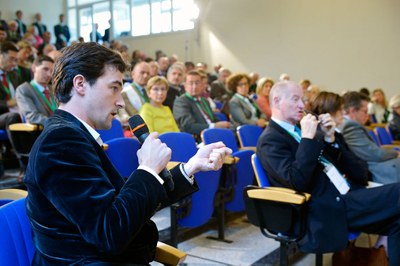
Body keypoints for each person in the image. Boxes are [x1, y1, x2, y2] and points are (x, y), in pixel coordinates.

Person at [24, 42, 231, 265]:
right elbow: (109, 232)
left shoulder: (72, 135)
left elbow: (125, 203)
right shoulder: (61, 142)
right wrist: (148, 169)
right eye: (114, 87)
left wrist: (190, 167)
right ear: (81, 84)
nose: (122, 102)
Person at [257, 81, 400, 265]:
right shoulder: (270, 140)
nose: (302, 105)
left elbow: (337, 166)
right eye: (295, 99)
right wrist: (308, 140)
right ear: (276, 101)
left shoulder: (300, 130)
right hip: (323, 207)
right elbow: (296, 181)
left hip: (346, 194)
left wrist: (330, 139)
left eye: (302, 99)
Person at [339, 91, 400, 184]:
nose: (368, 116)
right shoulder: (350, 126)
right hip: (376, 172)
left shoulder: (349, 124)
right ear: (353, 111)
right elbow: (374, 154)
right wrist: (396, 153)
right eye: (365, 111)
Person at [173, 70, 232, 141]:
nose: (194, 86)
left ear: (202, 85)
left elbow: (213, 119)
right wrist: (214, 126)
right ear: (185, 86)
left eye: (197, 83)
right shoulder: (181, 101)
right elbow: (188, 126)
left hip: (213, 135)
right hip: (198, 138)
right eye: (190, 83)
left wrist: (223, 124)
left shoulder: (204, 101)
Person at [16, 55, 55, 125]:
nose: (49, 74)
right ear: (34, 68)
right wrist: (57, 124)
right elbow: (32, 117)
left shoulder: (54, 89)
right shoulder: (24, 89)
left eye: (52, 71)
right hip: (41, 131)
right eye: (45, 69)